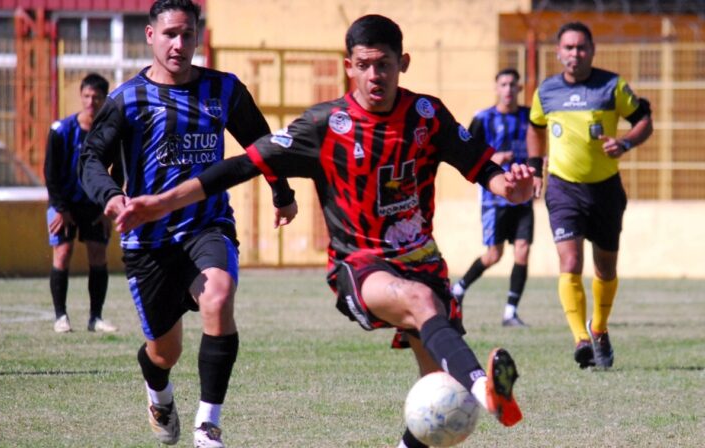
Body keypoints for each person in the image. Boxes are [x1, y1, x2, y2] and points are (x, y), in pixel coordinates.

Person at [115, 14, 532, 448]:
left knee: (444, 399)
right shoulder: (324, 126)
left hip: (423, 262)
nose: (375, 75)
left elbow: (485, 169)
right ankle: (488, 389)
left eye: (385, 64)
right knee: (423, 305)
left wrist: (512, 187)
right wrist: (160, 203)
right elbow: (239, 166)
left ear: (403, 63)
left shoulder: (426, 116)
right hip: (360, 265)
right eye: (365, 64)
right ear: (348, 65)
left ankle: (453, 405)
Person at [78, 1, 298, 446]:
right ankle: (158, 392)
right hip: (148, 243)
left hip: (207, 225)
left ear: (198, 37)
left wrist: (282, 191)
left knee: (218, 296)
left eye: (188, 35)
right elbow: (90, 161)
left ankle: (208, 425)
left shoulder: (224, 90)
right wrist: (114, 197)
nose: (180, 44)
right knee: (165, 352)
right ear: (150, 36)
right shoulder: (127, 100)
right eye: (171, 34)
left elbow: (261, 145)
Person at [526, 22, 653, 369]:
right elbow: (535, 127)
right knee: (570, 263)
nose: (575, 54)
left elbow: (644, 120)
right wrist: (536, 168)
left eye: (581, 47)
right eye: (568, 48)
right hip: (564, 188)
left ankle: (599, 328)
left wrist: (625, 142)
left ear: (592, 51)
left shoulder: (612, 86)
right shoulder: (546, 91)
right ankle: (580, 339)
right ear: (558, 52)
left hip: (606, 190)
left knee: (605, 269)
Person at [451, 68, 533, 328]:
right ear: (496, 88)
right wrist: (493, 159)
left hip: (523, 197)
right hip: (494, 199)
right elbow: (466, 153)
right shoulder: (483, 119)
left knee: (522, 251)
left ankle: (510, 312)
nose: (508, 89)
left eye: (512, 84)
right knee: (494, 255)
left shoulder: (530, 117)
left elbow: (538, 148)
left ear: (520, 89)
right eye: (503, 84)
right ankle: (459, 289)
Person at [44, 72, 118, 334]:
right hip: (64, 204)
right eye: (86, 96)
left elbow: (116, 170)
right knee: (62, 254)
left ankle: (95, 318)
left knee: (98, 255)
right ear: (81, 96)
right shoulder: (61, 130)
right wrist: (61, 209)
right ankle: (60, 316)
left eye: (97, 97)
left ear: (104, 99)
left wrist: (108, 207)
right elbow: (50, 173)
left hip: (95, 205)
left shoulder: (110, 132)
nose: (91, 102)